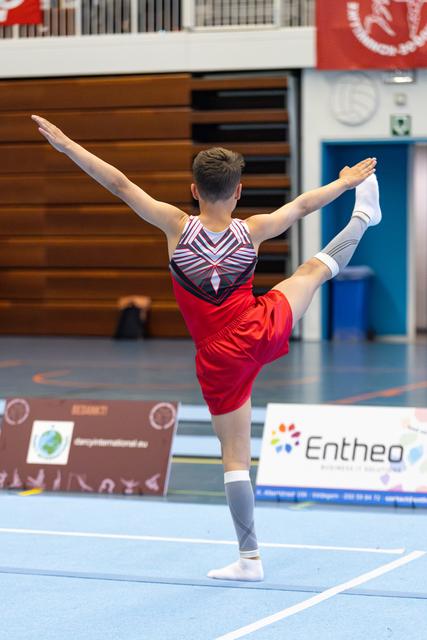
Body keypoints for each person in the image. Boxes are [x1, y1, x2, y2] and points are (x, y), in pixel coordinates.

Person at [31, 115, 380, 582]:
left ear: (194, 190)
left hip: (217, 358)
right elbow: (300, 206)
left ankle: (249, 558)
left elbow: (119, 182)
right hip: (260, 327)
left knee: (235, 455)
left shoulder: (175, 227)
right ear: (238, 192)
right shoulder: (252, 229)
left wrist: (69, 146)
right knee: (312, 273)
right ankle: (362, 218)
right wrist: (343, 184)